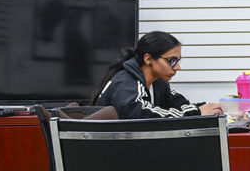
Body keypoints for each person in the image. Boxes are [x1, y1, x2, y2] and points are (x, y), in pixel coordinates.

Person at [92, 31, 222, 119]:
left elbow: (181, 104)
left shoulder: (158, 82)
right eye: (172, 60)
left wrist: (208, 108)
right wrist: (197, 112)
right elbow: (143, 115)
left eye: (178, 60)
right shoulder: (126, 81)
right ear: (148, 59)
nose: (178, 67)